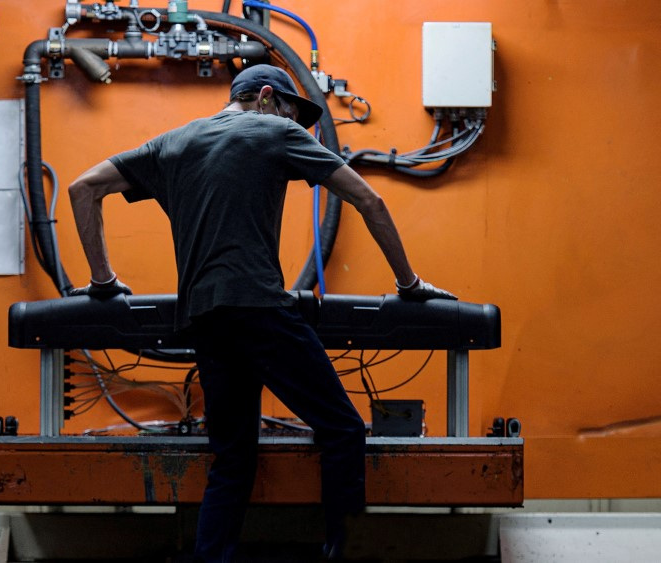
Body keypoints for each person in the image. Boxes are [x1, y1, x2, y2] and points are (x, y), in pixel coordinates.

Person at [67, 64, 457, 561]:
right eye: (294, 113)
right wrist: (409, 283)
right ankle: (343, 550)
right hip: (259, 309)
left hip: (203, 320)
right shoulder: (275, 129)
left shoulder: (173, 143)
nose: (296, 125)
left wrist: (103, 281)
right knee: (342, 430)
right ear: (268, 97)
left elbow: (83, 188)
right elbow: (369, 198)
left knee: (231, 458)